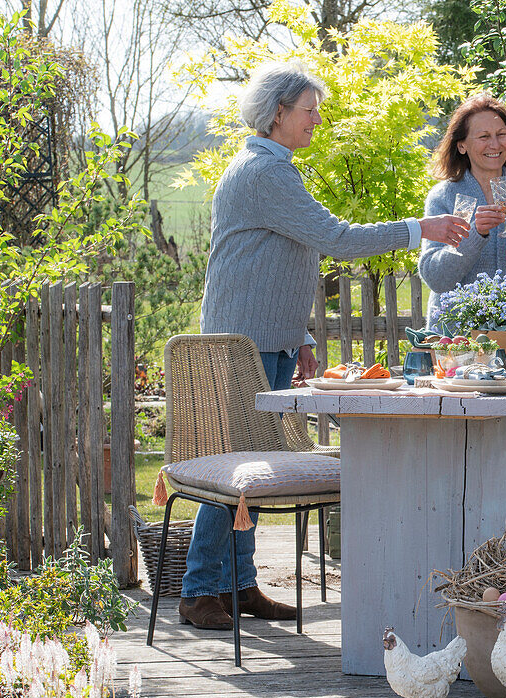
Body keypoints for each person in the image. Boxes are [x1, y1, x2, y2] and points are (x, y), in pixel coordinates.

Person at [183, 60, 468, 631]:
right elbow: (333, 237)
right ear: (278, 113)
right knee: (237, 465)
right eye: (309, 110)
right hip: (244, 343)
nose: (317, 119)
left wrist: (302, 334)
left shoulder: (275, 169)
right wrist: (421, 229)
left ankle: (238, 585)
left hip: (266, 336)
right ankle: (199, 590)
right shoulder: (264, 173)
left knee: (255, 462)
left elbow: (273, 265)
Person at [418, 93, 506, 331]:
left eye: (501, 135)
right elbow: (436, 278)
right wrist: (475, 235)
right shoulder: (444, 198)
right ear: (462, 145)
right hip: (458, 338)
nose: (495, 144)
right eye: (483, 137)